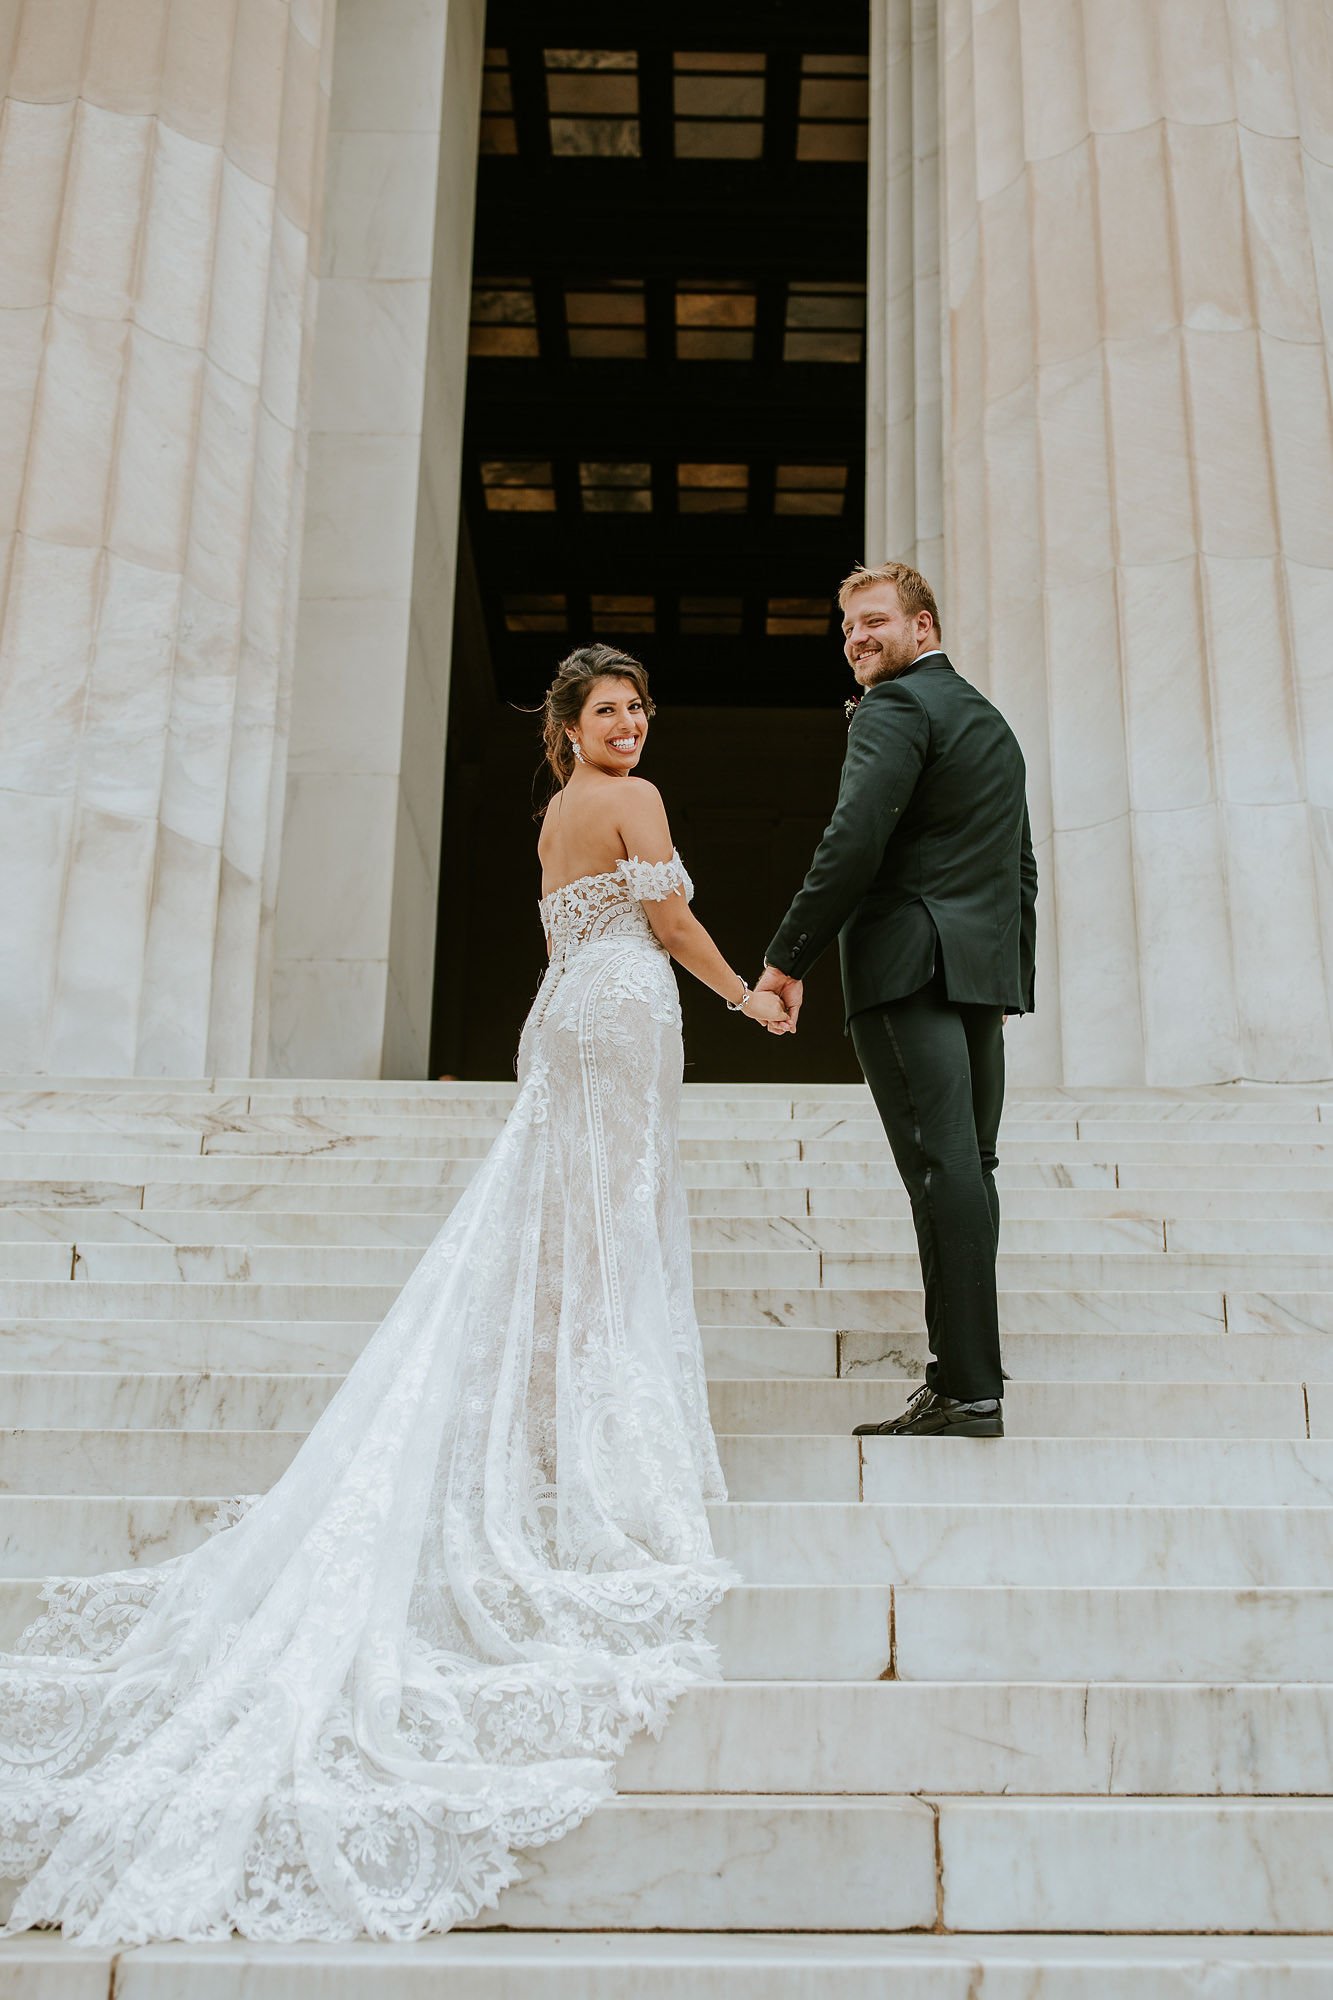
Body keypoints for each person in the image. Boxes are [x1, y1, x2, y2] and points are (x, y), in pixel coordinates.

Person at [0, 644, 787, 1945]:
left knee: (578, 1234)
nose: (631, 725)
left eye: (640, 707)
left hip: (565, 1016)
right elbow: (672, 922)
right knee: (614, 1233)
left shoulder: (548, 819)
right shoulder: (632, 805)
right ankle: (594, 1430)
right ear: (570, 725)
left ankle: (559, 1411)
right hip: (623, 1010)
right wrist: (747, 994)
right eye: (608, 710)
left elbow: (580, 927)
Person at [757, 562, 1036, 1440]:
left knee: (939, 1170)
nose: (856, 639)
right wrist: (1000, 974)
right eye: (846, 628)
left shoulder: (896, 708)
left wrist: (785, 958)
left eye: (873, 620)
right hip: (973, 976)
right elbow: (1017, 866)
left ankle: (965, 1388)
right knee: (968, 1169)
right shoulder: (988, 721)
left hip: (905, 968)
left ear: (924, 627)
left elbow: (853, 840)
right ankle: (970, 1380)